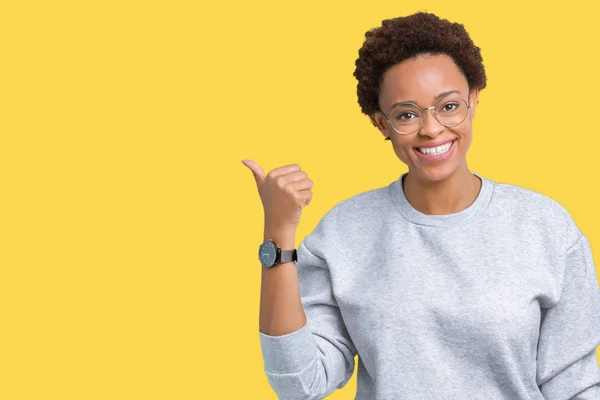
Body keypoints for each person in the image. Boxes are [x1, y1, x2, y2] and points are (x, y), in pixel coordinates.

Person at [242, 11, 600, 400]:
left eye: (448, 106)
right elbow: (298, 384)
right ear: (382, 124)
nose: (431, 129)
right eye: (407, 114)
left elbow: (575, 385)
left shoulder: (545, 226)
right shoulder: (344, 233)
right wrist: (278, 235)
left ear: (473, 101)